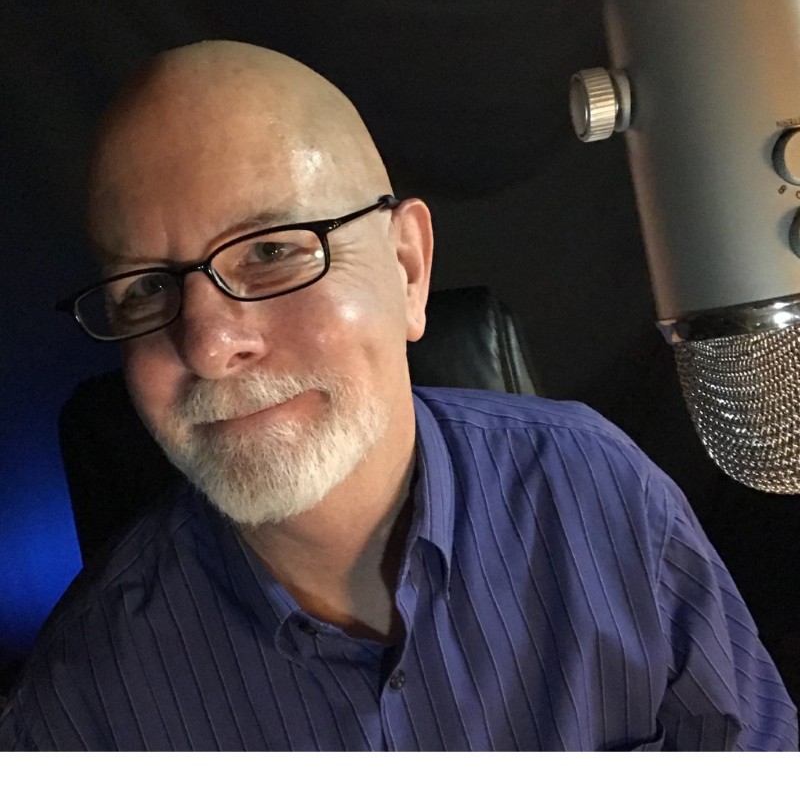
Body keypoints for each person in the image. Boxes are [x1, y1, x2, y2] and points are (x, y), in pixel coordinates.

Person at [0, 40, 796, 752]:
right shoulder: (82, 708)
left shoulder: (603, 494)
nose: (209, 345)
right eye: (143, 289)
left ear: (408, 268)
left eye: (274, 250)